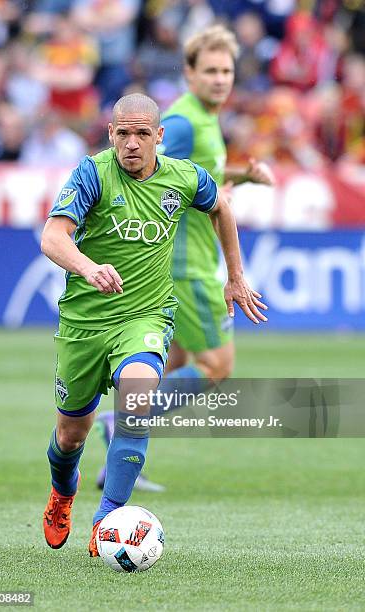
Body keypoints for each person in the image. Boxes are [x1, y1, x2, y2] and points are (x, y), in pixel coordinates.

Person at [41, 93, 267, 556]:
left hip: (146, 315)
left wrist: (236, 277)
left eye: (142, 134)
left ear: (158, 138)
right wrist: (87, 267)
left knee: (138, 400)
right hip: (85, 321)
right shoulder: (91, 173)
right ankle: (63, 494)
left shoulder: (182, 177)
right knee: (70, 437)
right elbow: (53, 236)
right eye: (122, 133)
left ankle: (107, 520)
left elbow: (221, 206)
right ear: (110, 135)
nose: (131, 143)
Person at [95, 25, 274, 490]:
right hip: (184, 265)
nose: (219, 79)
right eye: (209, 70)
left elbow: (191, 176)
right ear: (189, 74)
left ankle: (114, 461)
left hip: (185, 262)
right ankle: (121, 422)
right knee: (216, 366)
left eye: (226, 70)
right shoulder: (181, 121)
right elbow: (140, 170)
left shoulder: (205, 118)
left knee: (169, 366)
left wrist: (239, 176)